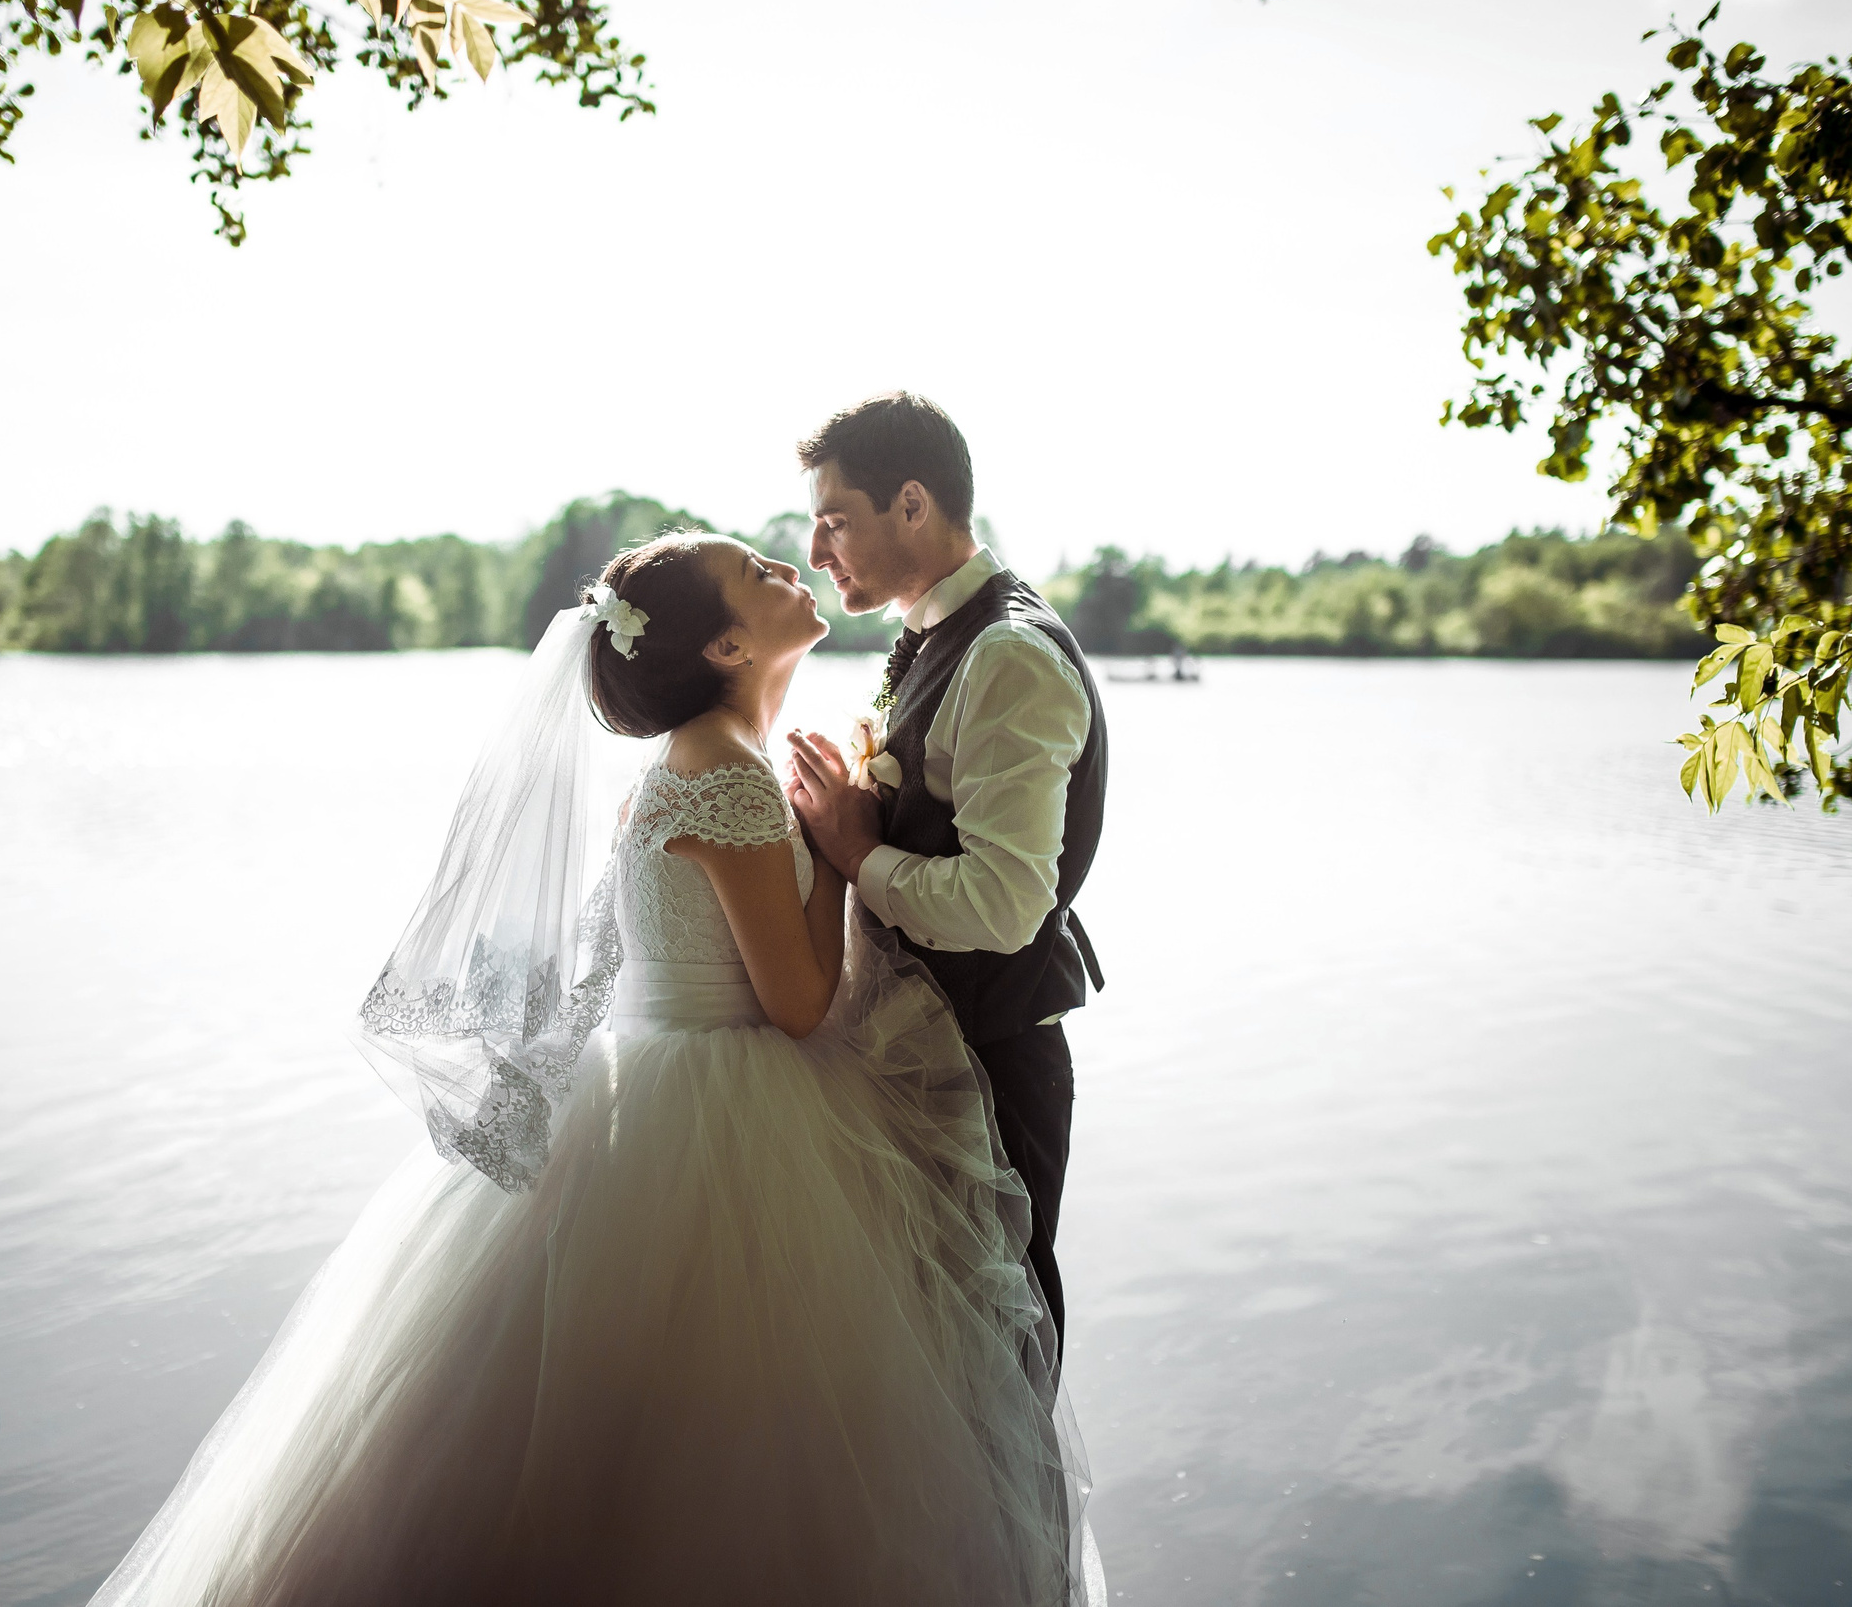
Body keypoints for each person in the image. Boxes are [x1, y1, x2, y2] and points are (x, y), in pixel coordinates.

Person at [88, 530, 1101, 1606]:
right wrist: (843, 850)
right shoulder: (730, 776)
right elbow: (801, 1005)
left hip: (658, 1093)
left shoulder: (697, 760)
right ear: (723, 643)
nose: (789, 570)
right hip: (735, 1113)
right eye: (757, 575)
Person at [786, 391, 1107, 1350]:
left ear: (913, 505)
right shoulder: (936, 634)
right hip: (929, 1054)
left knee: (994, 1342)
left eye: (836, 521)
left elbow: (1005, 904)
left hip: (993, 1065)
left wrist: (856, 851)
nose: (816, 551)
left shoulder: (1009, 655)